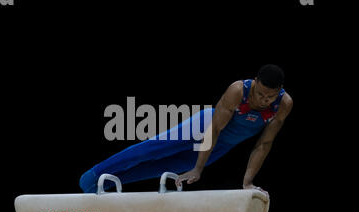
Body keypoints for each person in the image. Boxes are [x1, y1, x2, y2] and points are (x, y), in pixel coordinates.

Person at [79, 64, 293, 194]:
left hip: (221, 146)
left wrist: (248, 183)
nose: (265, 100)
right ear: (255, 82)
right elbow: (214, 130)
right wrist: (199, 169)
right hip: (203, 127)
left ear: (280, 91)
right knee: (153, 150)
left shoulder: (284, 104)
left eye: (270, 97)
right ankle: (93, 174)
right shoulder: (238, 90)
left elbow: (263, 144)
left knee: (162, 167)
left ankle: (104, 184)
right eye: (261, 94)